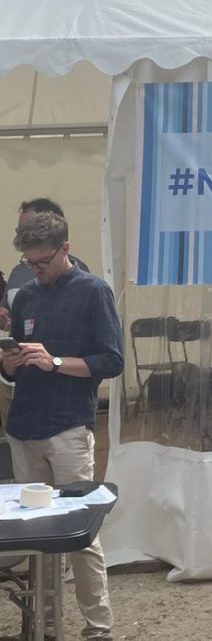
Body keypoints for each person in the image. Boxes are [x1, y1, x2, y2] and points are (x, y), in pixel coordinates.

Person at [0, 211, 124, 641]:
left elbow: (111, 361)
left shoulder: (94, 291)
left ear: (65, 249)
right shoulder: (27, 297)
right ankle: (43, 623)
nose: (37, 270)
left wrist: (54, 361)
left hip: (69, 426)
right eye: (30, 264)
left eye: (44, 261)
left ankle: (97, 625)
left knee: (79, 531)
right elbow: (13, 371)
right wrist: (10, 364)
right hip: (24, 426)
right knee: (31, 534)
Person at [0, 198, 90, 329]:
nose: (22, 238)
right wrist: (6, 319)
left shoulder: (88, 285)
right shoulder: (18, 273)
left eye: (44, 262)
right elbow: (14, 321)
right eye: (20, 232)